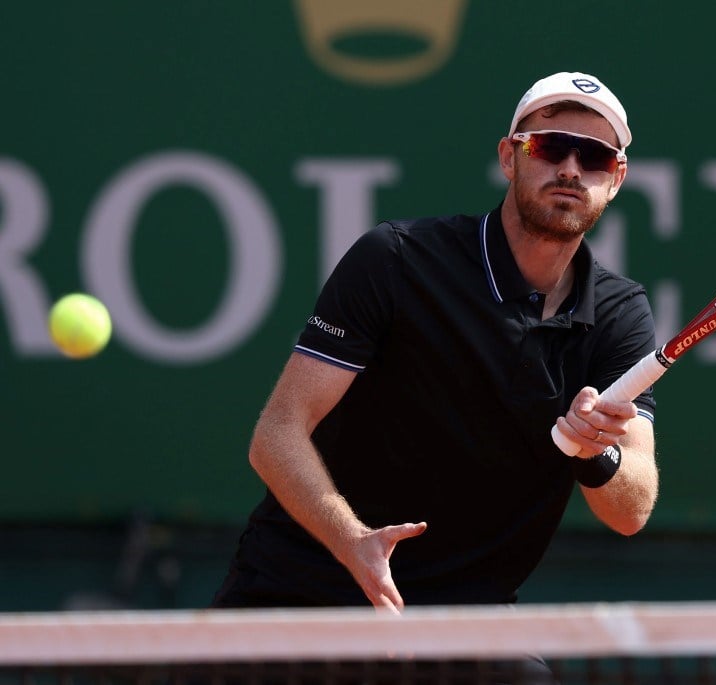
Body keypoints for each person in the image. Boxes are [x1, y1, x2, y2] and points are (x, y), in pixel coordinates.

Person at [213, 71, 659, 617]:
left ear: (616, 179)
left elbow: (631, 510)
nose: (570, 168)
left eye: (593, 157)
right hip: (301, 594)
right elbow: (277, 432)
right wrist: (354, 542)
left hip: (466, 619)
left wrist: (596, 455)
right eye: (549, 146)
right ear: (509, 156)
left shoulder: (619, 315)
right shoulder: (396, 260)